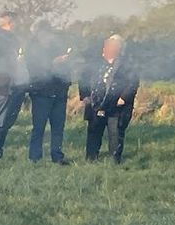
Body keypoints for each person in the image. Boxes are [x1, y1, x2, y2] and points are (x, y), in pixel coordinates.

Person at [79, 34, 140, 165]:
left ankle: (114, 160)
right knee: (94, 131)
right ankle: (91, 158)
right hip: (96, 104)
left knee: (115, 133)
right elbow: (83, 77)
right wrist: (85, 96)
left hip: (116, 106)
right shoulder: (96, 63)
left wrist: (124, 98)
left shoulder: (127, 65)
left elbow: (133, 82)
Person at [25, 23, 77, 165]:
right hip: (41, 94)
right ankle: (35, 157)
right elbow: (34, 70)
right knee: (39, 127)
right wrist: (52, 63)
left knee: (58, 128)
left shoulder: (57, 47)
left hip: (59, 93)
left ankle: (57, 156)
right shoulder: (33, 50)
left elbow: (66, 70)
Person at [0, 12, 30, 160]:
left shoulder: (12, 38)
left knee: (6, 122)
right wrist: (13, 62)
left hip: (13, 86)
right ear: (10, 22)